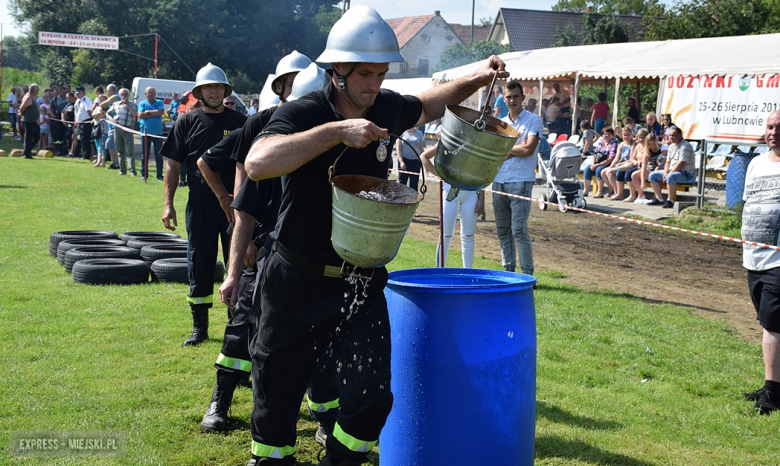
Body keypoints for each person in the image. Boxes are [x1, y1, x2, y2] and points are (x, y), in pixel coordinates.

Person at [243, 6, 508, 465]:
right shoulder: (305, 111)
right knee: (277, 402)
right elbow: (257, 162)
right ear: (337, 72)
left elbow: (428, 104)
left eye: (381, 73)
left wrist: (480, 77)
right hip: (295, 280)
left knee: (371, 397)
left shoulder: (385, 105)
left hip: (360, 280)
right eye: (365, 74)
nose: (374, 83)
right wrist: (335, 132)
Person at [201, 60, 336, 437]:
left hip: (313, 258)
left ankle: (325, 418)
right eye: (292, 85)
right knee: (242, 323)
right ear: (281, 89)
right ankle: (220, 400)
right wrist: (234, 266)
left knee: (320, 336)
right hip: (264, 247)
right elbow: (246, 200)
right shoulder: (263, 130)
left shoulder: (334, 137)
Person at [160, 63, 247, 347]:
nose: (214, 91)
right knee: (199, 260)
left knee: (238, 261)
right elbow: (172, 166)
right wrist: (167, 204)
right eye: (208, 87)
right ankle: (200, 328)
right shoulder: (186, 121)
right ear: (199, 91)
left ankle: (238, 323)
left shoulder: (240, 121)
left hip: (235, 200)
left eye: (218, 86)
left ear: (225, 90)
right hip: (200, 201)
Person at [741, 110, 780, 415]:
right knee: (769, 322)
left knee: (772, 325)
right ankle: (774, 383)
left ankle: (771, 391)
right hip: (753, 258)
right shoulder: (755, 163)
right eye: (770, 127)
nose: (773, 132)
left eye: (779, 127)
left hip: (778, 260)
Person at [491, 80, 542, 276]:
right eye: (508, 96)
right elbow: (494, 151)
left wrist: (505, 150)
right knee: (503, 230)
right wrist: (514, 150)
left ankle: (527, 275)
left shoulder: (533, 120)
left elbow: (528, 149)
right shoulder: (500, 123)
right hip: (499, 180)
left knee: (518, 230)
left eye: (515, 96)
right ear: (504, 99)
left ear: (522, 98)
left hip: (520, 181)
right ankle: (508, 273)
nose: (512, 100)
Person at [420, 143, 484, 268]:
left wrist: (481, 198)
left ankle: (468, 273)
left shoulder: (477, 141)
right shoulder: (448, 139)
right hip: (450, 192)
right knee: (446, 235)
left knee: (468, 236)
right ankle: (440, 271)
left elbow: (481, 173)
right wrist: (440, 175)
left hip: (471, 193)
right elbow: (424, 157)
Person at [647, 126, 696, 208]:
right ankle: (659, 199)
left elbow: (681, 163)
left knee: (670, 176)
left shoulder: (685, 146)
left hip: (685, 173)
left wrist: (669, 173)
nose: (671, 137)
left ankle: (670, 201)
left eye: (673, 135)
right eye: (670, 135)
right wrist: (666, 172)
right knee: (652, 175)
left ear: (680, 135)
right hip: (672, 171)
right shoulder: (671, 146)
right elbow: (667, 162)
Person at [107, 88, 138, 176]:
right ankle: (122, 170)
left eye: (125, 94)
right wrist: (111, 119)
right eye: (122, 94)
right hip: (118, 128)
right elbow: (108, 113)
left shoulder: (133, 104)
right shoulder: (115, 104)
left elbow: (135, 114)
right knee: (120, 150)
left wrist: (128, 105)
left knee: (129, 151)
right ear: (119, 95)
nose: (124, 96)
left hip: (128, 129)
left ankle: (132, 171)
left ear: (128, 95)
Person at [138, 86, 166, 181]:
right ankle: (144, 174)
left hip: (157, 133)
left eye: (152, 92)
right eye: (148, 92)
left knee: (159, 155)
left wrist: (148, 112)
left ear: (155, 94)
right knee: (144, 155)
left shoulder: (159, 102)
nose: (150, 94)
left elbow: (161, 112)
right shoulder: (142, 103)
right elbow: (140, 115)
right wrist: (155, 113)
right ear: (145, 94)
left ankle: (159, 175)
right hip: (145, 133)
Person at [602, 126, 636, 201]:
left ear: (631, 134)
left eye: (628, 134)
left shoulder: (633, 144)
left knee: (609, 172)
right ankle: (614, 191)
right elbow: (617, 158)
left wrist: (618, 165)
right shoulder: (621, 144)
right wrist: (611, 166)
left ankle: (619, 193)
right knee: (603, 172)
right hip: (621, 163)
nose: (626, 136)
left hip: (629, 164)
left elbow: (631, 159)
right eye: (624, 135)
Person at [582, 126, 617, 197]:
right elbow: (594, 154)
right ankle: (585, 190)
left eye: (609, 134)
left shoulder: (614, 143)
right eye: (605, 134)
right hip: (598, 162)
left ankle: (600, 192)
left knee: (599, 170)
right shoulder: (601, 142)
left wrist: (598, 165)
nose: (606, 135)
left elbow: (611, 158)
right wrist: (593, 164)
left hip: (608, 163)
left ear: (612, 135)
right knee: (587, 168)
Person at [628, 132, 662, 203]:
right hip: (650, 169)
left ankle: (656, 197)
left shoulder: (662, 148)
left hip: (660, 169)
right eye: (649, 144)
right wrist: (643, 181)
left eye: (653, 144)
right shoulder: (647, 151)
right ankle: (641, 194)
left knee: (656, 173)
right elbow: (643, 166)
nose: (652, 146)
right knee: (634, 175)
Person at [396, 126, 425, 190]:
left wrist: (425, 164)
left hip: (415, 162)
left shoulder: (420, 133)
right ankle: (401, 199)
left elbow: (421, 150)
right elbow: (398, 149)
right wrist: (401, 162)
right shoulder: (401, 133)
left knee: (414, 185)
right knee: (402, 184)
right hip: (404, 161)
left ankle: (413, 200)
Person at [99, 84, 120, 169]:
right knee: (112, 145)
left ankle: (115, 163)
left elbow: (104, 104)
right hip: (112, 125)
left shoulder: (115, 96)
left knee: (110, 144)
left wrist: (100, 104)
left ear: (108, 91)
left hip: (115, 125)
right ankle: (115, 162)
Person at [18, 84, 41, 159]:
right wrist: (21, 114)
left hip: (33, 121)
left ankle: (26, 151)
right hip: (28, 121)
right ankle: (27, 154)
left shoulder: (33, 97)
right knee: (28, 138)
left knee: (37, 137)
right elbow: (21, 108)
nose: (38, 90)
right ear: (33, 90)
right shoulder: (28, 98)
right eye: (37, 89)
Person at [73, 86, 94, 161]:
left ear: (82, 93)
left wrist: (93, 118)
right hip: (80, 122)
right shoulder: (78, 101)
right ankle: (82, 153)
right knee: (81, 138)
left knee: (85, 139)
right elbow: (77, 112)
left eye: (78, 93)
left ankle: (86, 154)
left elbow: (89, 110)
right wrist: (76, 120)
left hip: (86, 121)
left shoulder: (86, 100)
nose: (77, 95)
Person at [50, 86, 69, 155]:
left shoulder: (67, 99)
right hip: (56, 118)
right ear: (59, 92)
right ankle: (57, 149)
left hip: (63, 119)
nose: (64, 93)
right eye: (63, 92)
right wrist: (52, 114)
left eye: (65, 92)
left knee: (62, 135)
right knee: (55, 135)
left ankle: (62, 150)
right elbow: (50, 107)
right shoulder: (54, 99)